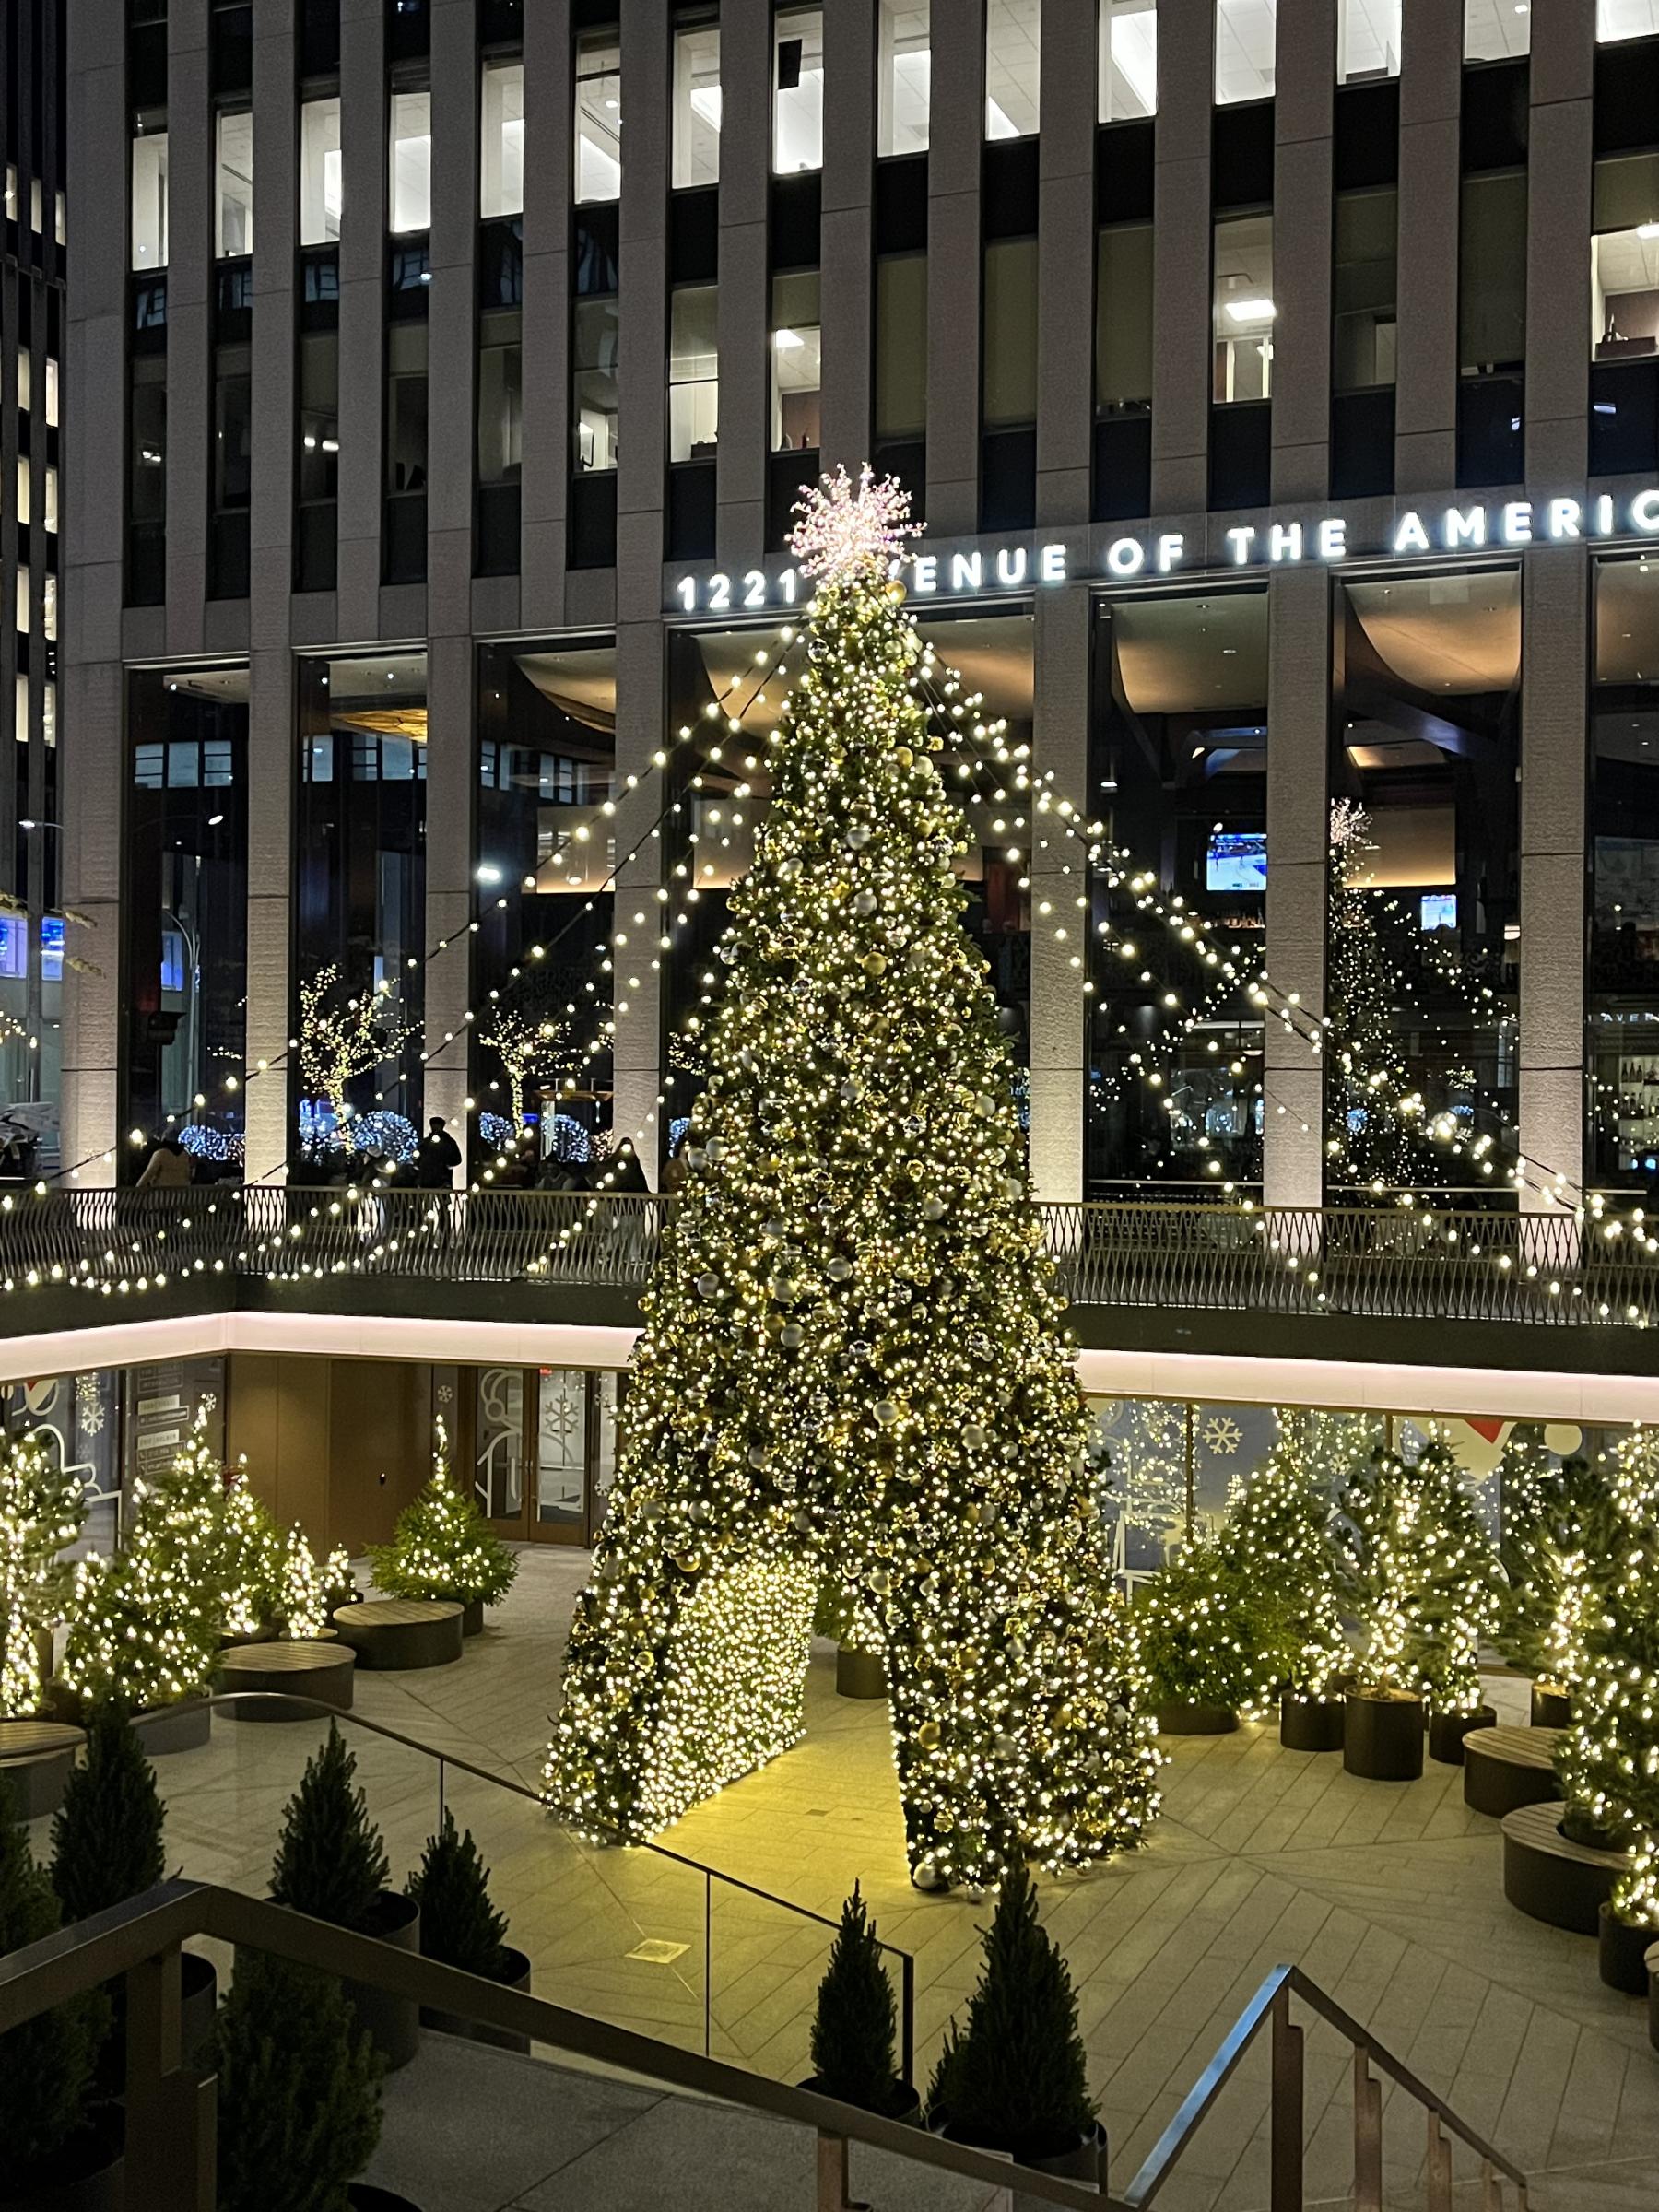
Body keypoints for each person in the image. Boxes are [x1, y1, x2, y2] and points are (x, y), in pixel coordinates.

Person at [417, 1116, 463, 1190]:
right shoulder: (425, 1142)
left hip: (442, 1179)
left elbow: (457, 1158)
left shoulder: (449, 1142)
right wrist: (421, 1165)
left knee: (441, 1194)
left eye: (437, 1126)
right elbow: (417, 1156)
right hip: (427, 1179)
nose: (435, 1128)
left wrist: (447, 1164)